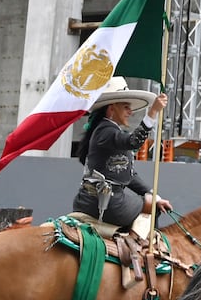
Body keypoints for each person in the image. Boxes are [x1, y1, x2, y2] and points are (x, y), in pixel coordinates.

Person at [73, 78, 173, 230]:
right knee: (152, 208)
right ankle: (146, 252)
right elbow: (134, 141)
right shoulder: (106, 131)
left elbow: (128, 175)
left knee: (151, 202)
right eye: (126, 107)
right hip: (109, 203)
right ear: (111, 109)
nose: (130, 112)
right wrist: (153, 112)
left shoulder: (104, 131)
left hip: (93, 200)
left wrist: (154, 195)